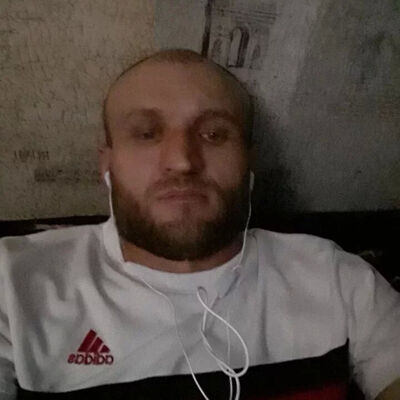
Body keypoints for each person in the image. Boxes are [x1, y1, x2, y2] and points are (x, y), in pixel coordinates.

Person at [0, 49, 399, 400]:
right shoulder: (13, 286)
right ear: (106, 160)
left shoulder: (338, 281)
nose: (182, 161)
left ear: (249, 160)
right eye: (146, 133)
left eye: (214, 133)